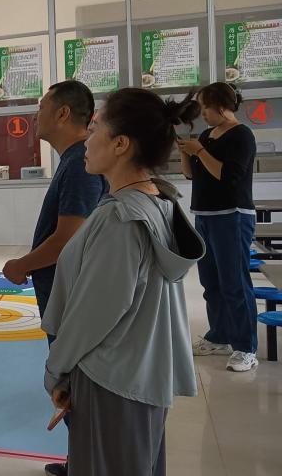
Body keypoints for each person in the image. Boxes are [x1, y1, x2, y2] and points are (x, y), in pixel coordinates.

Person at [42, 88, 204, 476]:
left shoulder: (120, 219)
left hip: (111, 380)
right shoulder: (157, 199)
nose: (86, 139)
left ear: (120, 144)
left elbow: (93, 314)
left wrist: (57, 370)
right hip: (141, 372)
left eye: (95, 128)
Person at [3, 81, 106, 476]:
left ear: (63, 113)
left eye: (42, 106)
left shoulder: (81, 163)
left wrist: (23, 264)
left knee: (75, 383)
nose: (35, 115)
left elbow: (68, 238)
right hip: (63, 296)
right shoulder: (73, 160)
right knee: (70, 384)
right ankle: (81, 459)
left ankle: (87, 463)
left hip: (72, 300)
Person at [179, 82, 259, 372]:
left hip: (232, 216)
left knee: (234, 282)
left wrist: (200, 151)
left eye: (206, 107)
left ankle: (246, 347)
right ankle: (220, 336)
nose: (202, 113)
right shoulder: (206, 135)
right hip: (204, 215)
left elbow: (227, 176)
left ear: (222, 106)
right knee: (211, 282)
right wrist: (186, 153)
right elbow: (191, 175)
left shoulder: (242, 135)